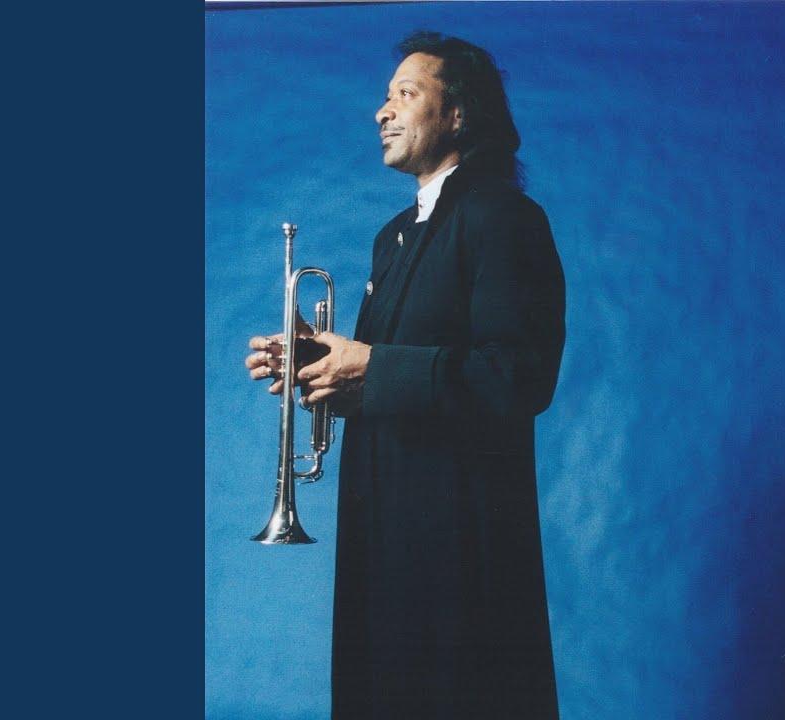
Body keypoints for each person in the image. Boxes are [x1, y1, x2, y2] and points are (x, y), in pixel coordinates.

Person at [244, 31, 565, 720]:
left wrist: (374, 365)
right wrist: (317, 364)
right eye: (386, 96)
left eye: (406, 94)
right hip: (382, 522)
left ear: (459, 115)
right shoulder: (393, 237)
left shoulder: (506, 217)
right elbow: (381, 375)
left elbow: (520, 376)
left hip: (459, 537)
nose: (382, 111)